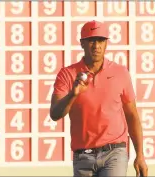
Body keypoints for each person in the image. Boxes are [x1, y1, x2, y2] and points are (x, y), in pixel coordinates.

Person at [50, 20, 148, 177]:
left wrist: (140, 155)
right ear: (82, 43)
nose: (96, 46)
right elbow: (55, 114)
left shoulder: (120, 72)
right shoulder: (67, 74)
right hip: (82, 156)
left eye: (101, 40)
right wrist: (73, 94)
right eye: (91, 40)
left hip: (114, 152)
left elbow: (132, 115)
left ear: (106, 44)